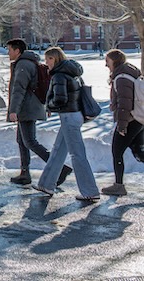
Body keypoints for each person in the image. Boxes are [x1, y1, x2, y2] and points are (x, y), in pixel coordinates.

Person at [32, 47, 100, 201]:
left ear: (55, 59)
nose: (46, 62)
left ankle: (90, 191)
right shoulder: (72, 72)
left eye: (48, 59)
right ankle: (46, 184)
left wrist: (49, 105)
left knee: (77, 155)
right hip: (74, 115)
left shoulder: (59, 76)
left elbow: (60, 99)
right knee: (58, 151)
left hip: (69, 117)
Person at [5, 38, 70, 186]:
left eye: (9, 50)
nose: (7, 53)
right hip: (30, 106)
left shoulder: (23, 65)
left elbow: (19, 89)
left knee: (30, 142)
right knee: (22, 141)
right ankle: (24, 173)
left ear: (17, 51)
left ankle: (60, 168)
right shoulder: (29, 63)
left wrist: (13, 110)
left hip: (27, 107)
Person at [102, 49, 144, 196]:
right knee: (139, 152)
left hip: (130, 119)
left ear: (114, 61)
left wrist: (122, 126)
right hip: (139, 118)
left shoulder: (121, 77)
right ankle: (118, 184)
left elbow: (124, 103)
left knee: (117, 151)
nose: (106, 65)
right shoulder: (130, 71)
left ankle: (119, 185)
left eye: (107, 61)